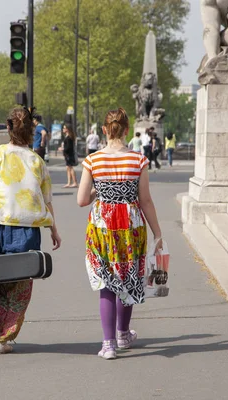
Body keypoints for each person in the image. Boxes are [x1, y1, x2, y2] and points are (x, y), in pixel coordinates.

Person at [0, 107, 62, 354]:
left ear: (8, 128)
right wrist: (54, 229)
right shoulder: (37, 161)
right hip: (26, 230)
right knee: (20, 286)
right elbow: (47, 199)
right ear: (32, 131)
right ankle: (5, 338)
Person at [77, 107, 163, 360]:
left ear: (104, 130)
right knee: (127, 277)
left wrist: (102, 190)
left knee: (106, 282)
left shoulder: (92, 161)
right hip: (131, 226)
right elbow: (145, 200)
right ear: (127, 130)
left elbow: (82, 200)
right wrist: (157, 233)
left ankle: (108, 345)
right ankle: (123, 334)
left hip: (102, 224)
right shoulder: (139, 160)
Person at [62, 124, 79, 188]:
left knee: (70, 168)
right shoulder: (68, 136)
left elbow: (68, 147)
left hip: (69, 155)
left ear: (67, 129)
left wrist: (63, 149)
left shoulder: (69, 137)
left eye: (64, 128)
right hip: (68, 155)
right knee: (68, 168)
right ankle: (69, 182)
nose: (63, 129)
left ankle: (75, 182)